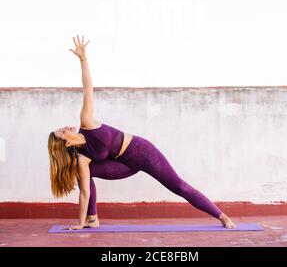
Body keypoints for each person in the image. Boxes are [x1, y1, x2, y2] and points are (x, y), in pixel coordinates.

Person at [48, 35, 237, 230]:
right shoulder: (82, 159)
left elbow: (88, 89)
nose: (66, 127)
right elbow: (84, 192)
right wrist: (78, 224)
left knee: (178, 186)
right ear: (67, 144)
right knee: (82, 174)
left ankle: (222, 216)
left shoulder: (86, 123)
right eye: (63, 131)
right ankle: (91, 219)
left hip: (142, 153)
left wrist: (83, 59)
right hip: (123, 165)